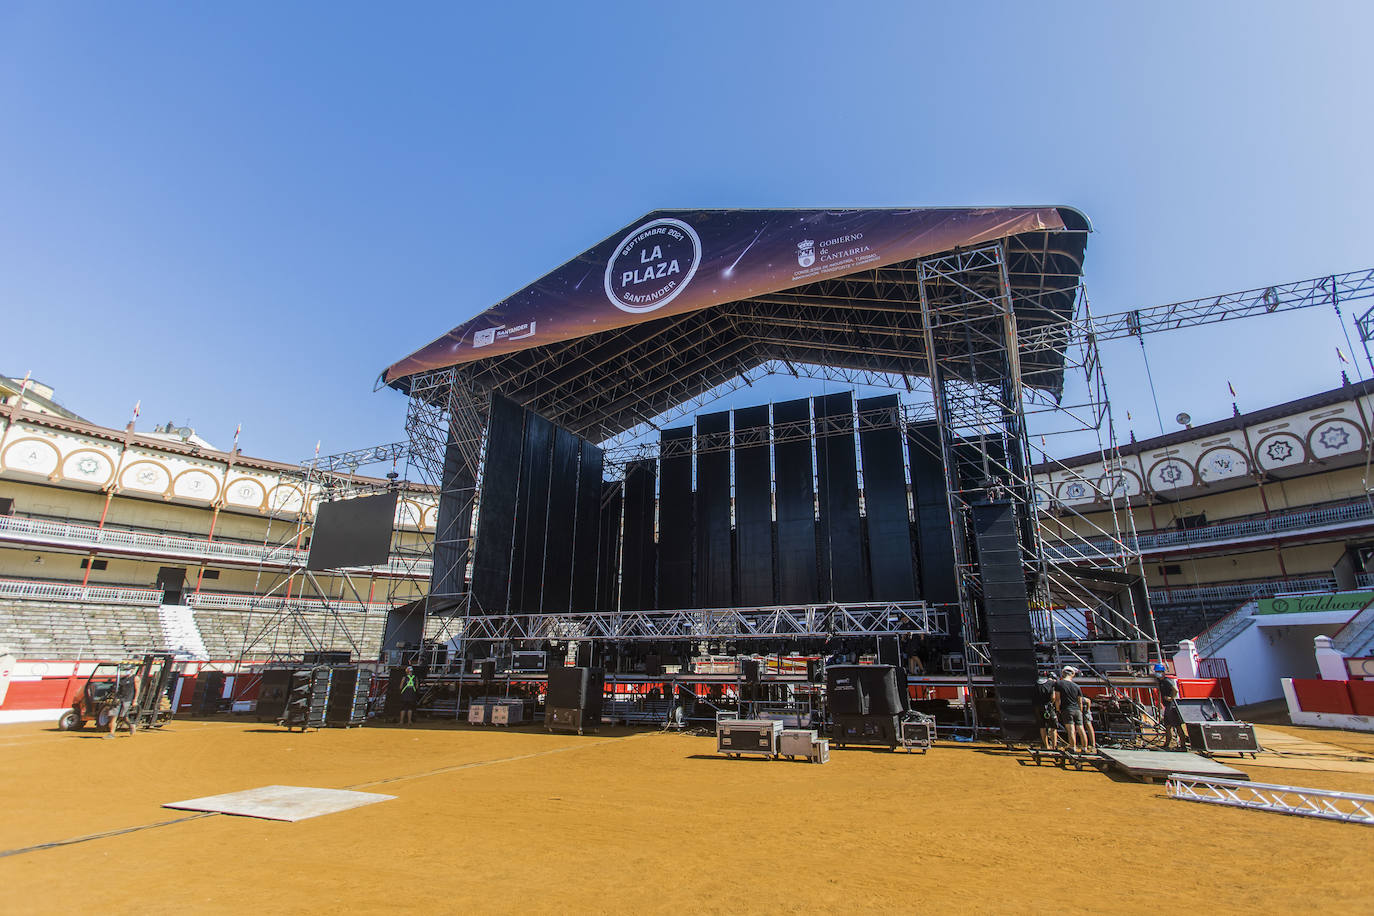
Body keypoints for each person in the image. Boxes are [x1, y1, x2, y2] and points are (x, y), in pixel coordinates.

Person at [1154, 663, 1188, 750]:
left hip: (1172, 706)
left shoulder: (1166, 680)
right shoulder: (1161, 681)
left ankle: (1183, 746)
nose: (1157, 673)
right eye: (1156, 672)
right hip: (1167, 706)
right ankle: (1167, 745)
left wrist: (1171, 698)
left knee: (1177, 726)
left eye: (1158, 672)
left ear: (1163, 672)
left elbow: (1175, 690)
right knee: (1168, 726)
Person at [1054, 666, 1086, 754]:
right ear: (1072, 674)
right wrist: (1080, 711)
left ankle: (1072, 747)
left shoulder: (1059, 683)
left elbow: (1057, 699)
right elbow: (1080, 701)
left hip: (1067, 709)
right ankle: (1085, 748)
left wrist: (1057, 709)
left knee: (1070, 729)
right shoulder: (1077, 686)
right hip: (1077, 709)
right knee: (1081, 728)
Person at [104, 671, 137, 739]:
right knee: (113, 716)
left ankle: (131, 726)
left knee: (123, 717)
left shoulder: (135, 678)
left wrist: (135, 700)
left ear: (132, 670)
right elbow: (115, 689)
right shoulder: (121, 679)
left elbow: (137, 690)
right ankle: (111, 734)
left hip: (127, 700)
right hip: (118, 700)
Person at [1035, 672, 1059, 750]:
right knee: (1053, 727)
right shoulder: (1051, 683)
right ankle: (1054, 746)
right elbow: (1053, 697)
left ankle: (1046, 746)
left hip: (1038, 707)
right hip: (1048, 707)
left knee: (1042, 727)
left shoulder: (1037, 683)